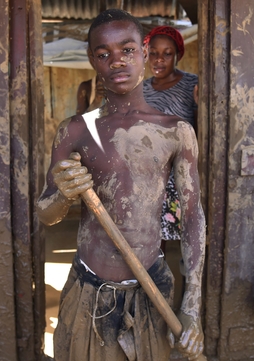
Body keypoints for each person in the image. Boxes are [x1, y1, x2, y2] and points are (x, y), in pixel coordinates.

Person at [36, 9, 205, 361]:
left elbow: (192, 218)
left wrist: (191, 307)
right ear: (92, 60)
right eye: (103, 54)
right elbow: (45, 214)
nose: (116, 61)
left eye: (127, 50)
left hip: (151, 288)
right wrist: (64, 195)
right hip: (88, 291)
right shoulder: (75, 130)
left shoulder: (175, 131)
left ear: (144, 51)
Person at [143, 26, 199, 246]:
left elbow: (199, 128)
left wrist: (198, 105)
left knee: (184, 235)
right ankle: (156, 277)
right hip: (146, 171)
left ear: (178, 55)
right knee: (152, 236)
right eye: (154, 52)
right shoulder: (141, 88)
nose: (159, 59)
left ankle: (186, 279)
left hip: (178, 171)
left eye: (167, 53)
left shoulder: (191, 84)